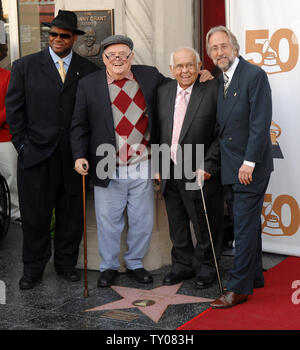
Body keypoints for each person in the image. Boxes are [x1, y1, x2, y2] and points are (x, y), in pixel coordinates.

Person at [71, 35, 213, 288]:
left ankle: (135, 263)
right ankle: (109, 267)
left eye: (122, 54)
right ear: (103, 59)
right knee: (108, 221)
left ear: (131, 57)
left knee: (143, 219)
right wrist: (79, 155)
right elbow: (79, 124)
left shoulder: (148, 76)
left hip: (145, 160)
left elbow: (179, 84)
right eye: (111, 54)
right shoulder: (88, 84)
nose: (117, 59)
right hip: (107, 161)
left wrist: (202, 75)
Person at [5, 10, 99, 290]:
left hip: (73, 157)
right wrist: (22, 145)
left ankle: (66, 264)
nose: (57, 39)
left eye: (64, 35)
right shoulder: (24, 66)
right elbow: (14, 111)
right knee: (35, 216)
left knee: (71, 214)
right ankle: (32, 268)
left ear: (74, 39)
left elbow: (92, 114)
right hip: (35, 156)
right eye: (53, 34)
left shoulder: (89, 70)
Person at [206, 26, 273, 308]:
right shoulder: (220, 81)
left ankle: (238, 288)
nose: (219, 52)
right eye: (213, 49)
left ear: (235, 48)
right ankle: (254, 275)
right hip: (230, 167)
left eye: (223, 46)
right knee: (247, 224)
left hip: (249, 167)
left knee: (243, 228)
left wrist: (249, 162)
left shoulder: (254, 75)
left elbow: (260, 122)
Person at [155, 47, 223, 289]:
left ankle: (207, 266)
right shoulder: (163, 91)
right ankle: (182, 265)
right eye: (180, 66)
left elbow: (221, 134)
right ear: (172, 70)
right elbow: (158, 130)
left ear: (199, 67)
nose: (185, 71)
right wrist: (158, 165)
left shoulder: (213, 89)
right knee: (177, 222)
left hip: (198, 170)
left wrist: (209, 165)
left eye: (190, 65)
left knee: (203, 221)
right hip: (169, 169)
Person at [0, 25, 20, 223]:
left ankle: (15, 213)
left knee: (10, 178)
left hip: (4, 138)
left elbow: (10, 106)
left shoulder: (7, 75)